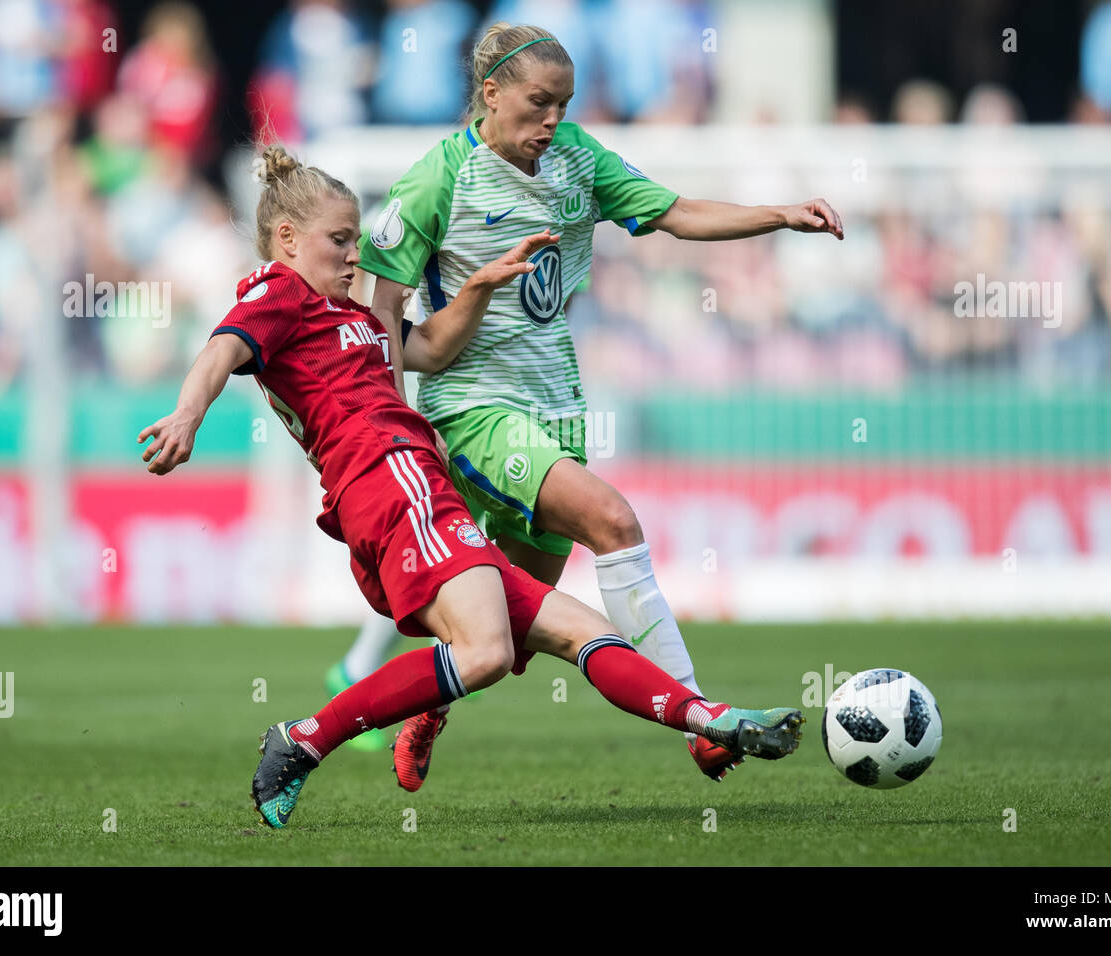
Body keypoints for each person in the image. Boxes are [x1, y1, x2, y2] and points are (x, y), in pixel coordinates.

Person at [137, 146, 805, 828]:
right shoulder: (279, 294)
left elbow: (426, 349)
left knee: (580, 630)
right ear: (286, 239)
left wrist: (479, 287)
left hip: (418, 485)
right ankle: (306, 739)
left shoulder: (356, 319)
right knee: (485, 652)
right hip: (388, 480)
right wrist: (189, 415)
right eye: (338, 241)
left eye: (356, 241)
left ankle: (712, 718)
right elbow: (223, 347)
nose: (351, 257)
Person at [336, 21, 843, 787]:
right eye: (539, 104)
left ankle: (429, 703)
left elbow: (674, 212)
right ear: (491, 91)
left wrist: (779, 215)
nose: (552, 122)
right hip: (472, 409)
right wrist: (392, 426)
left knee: (514, 623)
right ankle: (703, 721)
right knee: (614, 522)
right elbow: (384, 313)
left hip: (556, 409)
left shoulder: (579, 161)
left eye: (564, 106)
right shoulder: (436, 180)